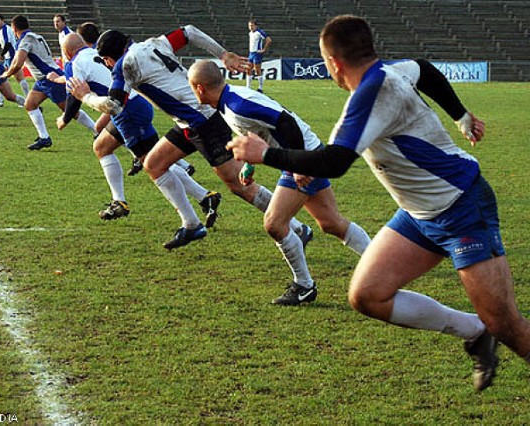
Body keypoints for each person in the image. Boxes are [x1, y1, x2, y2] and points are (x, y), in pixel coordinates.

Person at [228, 14, 530, 391]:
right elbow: (424, 69)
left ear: (334, 63)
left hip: (462, 206)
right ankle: (477, 331)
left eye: (325, 63)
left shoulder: (370, 94)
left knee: (508, 323)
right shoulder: (392, 70)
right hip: (419, 213)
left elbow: (335, 161)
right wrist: (462, 116)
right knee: (368, 295)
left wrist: (264, 154)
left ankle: (492, 328)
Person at [68, 26, 312, 250]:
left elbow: (113, 105)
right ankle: (191, 225)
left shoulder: (125, 64)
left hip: (203, 122)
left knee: (238, 185)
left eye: (105, 61)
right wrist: (222, 53)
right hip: (189, 121)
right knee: (153, 164)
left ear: (110, 56)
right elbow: (189, 31)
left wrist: (85, 96)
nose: (108, 65)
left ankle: (298, 228)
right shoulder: (153, 43)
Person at [189, 59, 371, 305]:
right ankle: (381, 261)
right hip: (308, 153)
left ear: (199, 88)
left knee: (274, 223)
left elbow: (287, 122)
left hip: (303, 157)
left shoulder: (236, 104)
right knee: (331, 223)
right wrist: (250, 165)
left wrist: (298, 164)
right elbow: (255, 131)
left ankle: (304, 286)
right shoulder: (229, 102)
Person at [56, 33, 220, 227]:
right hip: (132, 103)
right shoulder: (96, 53)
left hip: (126, 110)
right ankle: (119, 200)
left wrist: (65, 119)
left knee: (153, 162)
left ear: (66, 51)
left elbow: (76, 96)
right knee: (101, 147)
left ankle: (203, 196)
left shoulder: (74, 64)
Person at [2, 15, 96, 150]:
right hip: (43, 79)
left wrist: (7, 73)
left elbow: (18, 63)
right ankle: (44, 138)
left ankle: (96, 130)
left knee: (70, 111)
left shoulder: (25, 40)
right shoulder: (36, 36)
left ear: (14, 28)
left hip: (51, 78)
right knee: (30, 104)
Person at [0, 14, 30, 107]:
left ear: (3, 20)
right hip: (10, 56)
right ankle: (0, 99)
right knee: (3, 77)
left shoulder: (4, 30)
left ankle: (28, 100)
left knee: (17, 78)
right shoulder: (5, 29)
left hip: (11, 56)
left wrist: (1, 55)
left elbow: (8, 44)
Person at [247, 19, 271, 93]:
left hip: (257, 53)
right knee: (248, 69)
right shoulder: (250, 33)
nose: (251, 27)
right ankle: (248, 87)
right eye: (249, 26)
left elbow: (269, 40)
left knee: (257, 70)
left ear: (256, 25)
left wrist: (264, 49)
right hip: (251, 53)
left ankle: (260, 87)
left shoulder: (260, 32)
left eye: (252, 25)